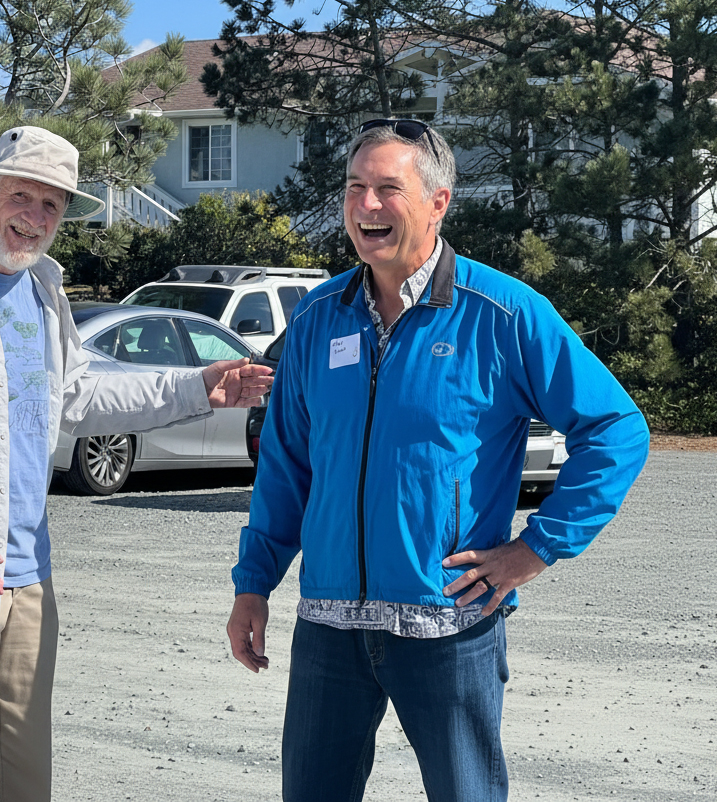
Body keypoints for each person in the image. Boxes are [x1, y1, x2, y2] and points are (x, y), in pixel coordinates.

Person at [0, 125, 272, 802]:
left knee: (25, 785)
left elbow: (76, 395)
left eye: (51, 204)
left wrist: (195, 386)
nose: (34, 217)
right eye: (19, 196)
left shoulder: (40, 288)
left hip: (29, 578)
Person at [226, 119, 649, 802]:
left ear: (437, 202)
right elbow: (286, 466)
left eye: (387, 189)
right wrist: (253, 583)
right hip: (329, 626)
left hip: (449, 622)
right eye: (354, 187)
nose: (366, 205)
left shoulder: (502, 313)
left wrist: (536, 549)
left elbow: (616, 429)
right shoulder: (317, 318)